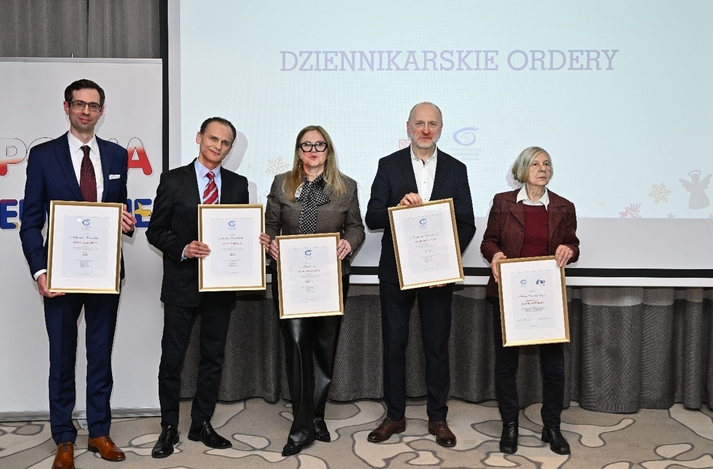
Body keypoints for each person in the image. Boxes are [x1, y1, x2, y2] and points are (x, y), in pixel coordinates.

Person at [19, 79, 136, 469]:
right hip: (60, 276)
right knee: (61, 359)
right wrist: (40, 270)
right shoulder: (43, 155)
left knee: (100, 357)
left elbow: (118, 208)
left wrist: (127, 222)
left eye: (93, 105)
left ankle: (99, 432)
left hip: (104, 273)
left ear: (102, 111)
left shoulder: (117, 156)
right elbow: (30, 221)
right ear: (67, 107)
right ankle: (64, 438)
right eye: (79, 104)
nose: (86, 111)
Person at [365, 102, 475, 447]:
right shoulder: (388, 165)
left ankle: (438, 418)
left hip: (438, 275)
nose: (425, 130)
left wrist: (447, 262)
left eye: (432, 124)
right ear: (408, 127)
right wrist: (395, 208)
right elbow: (371, 217)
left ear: (440, 128)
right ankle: (395, 416)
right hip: (395, 271)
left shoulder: (456, 168)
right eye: (419, 124)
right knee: (394, 344)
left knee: (437, 346)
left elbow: (467, 223)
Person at [146, 117, 249, 458]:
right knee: (172, 359)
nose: (217, 146)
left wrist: (255, 241)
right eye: (213, 138)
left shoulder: (238, 185)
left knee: (213, 358)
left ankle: (201, 423)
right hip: (182, 284)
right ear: (199, 138)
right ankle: (168, 427)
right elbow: (155, 231)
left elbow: (240, 231)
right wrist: (184, 248)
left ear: (230, 149)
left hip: (221, 285)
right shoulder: (173, 180)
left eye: (225, 142)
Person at [260, 125, 365, 456]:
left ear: (328, 150)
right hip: (290, 279)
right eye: (306, 145)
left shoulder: (346, 186)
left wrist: (349, 243)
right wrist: (271, 244)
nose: (313, 151)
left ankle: (316, 416)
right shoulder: (282, 183)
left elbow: (356, 227)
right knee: (295, 346)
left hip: (330, 279)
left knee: (323, 347)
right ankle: (301, 425)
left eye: (319, 145)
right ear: (298, 151)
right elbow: (270, 226)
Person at [480, 146, 579, 455]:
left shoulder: (564, 207)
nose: (542, 168)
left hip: (547, 298)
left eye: (547, 164)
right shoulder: (503, 202)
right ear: (523, 169)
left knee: (554, 367)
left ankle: (552, 427)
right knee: (506, 365)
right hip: (509, 294)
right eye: (535, 164)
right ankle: (510, 425)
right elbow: (488, 241)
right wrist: (495, 254)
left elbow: (573, 244)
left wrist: (569, 250)